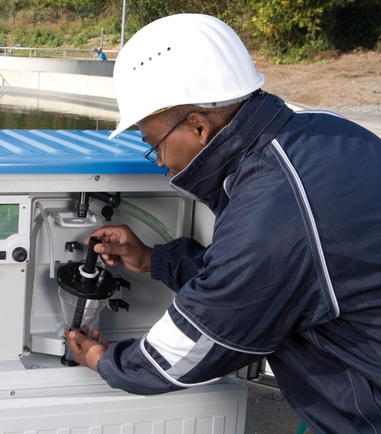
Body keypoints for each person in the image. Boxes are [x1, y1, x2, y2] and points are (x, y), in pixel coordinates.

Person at [63, 13, 381, 434]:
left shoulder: (275, 203)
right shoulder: (323, 132)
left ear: (197, 125)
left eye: (152, 143)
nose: (158, 160)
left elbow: (185, 352)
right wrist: (155, 260)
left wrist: (106, 362)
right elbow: (273, 282)